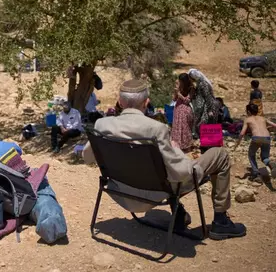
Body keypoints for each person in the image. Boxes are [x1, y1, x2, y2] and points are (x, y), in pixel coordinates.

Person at [82, 80, 246, 240]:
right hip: (154, 192)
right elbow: (182, 173)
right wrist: (175, 150)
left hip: (120, 191)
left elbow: (87, 157)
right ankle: (221, 221)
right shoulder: (156, 129)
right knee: (220, 155)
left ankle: (178, 214)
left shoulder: (102, 124)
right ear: (146, 102)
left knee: (160, 165)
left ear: (120, 101)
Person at [235, 103, 276, 181]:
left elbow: (242, 133)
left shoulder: (247, 119)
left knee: (251, 155)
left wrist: (238, 143)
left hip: (256, 138)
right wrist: (267, 127)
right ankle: (271, 164)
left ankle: (256, 174)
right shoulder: (263, 118)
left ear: (249, 112)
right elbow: (274, 125)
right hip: (267, 138)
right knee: (265, 157)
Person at [188, 69, 219, 135]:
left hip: (209, 106)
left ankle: (209, 142)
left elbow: (208, 97)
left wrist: (209, 110)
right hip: (206, 106)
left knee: (203, 125)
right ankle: (207, 142)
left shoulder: (203, 84)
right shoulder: (199, 83)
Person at [171, 73, 194, 152]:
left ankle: (187, 146)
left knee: (185, 128)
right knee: (177, 127)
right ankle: (178, 146)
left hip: (185, 110)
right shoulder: (179, 87)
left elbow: (187, 100)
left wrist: (179, 94)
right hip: (178, 109)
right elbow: (174, 99)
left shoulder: (191, 88)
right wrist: (175, 92)